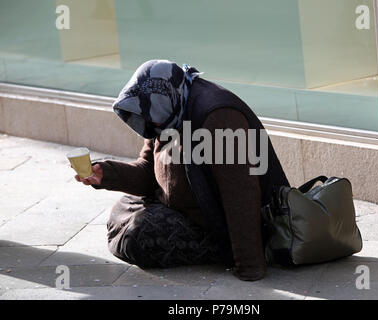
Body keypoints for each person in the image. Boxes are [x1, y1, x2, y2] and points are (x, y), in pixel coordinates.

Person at [74, 60, 289, 281]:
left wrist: (249, 265)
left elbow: (241, 195)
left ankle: (222, 249)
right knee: (122, 209)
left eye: (153, 117)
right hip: (184, 209)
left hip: (220, 220)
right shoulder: (168, 110)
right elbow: (148, 171)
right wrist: (105, 174)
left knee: (139, 235)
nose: (153, 126)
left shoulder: (218, 117)